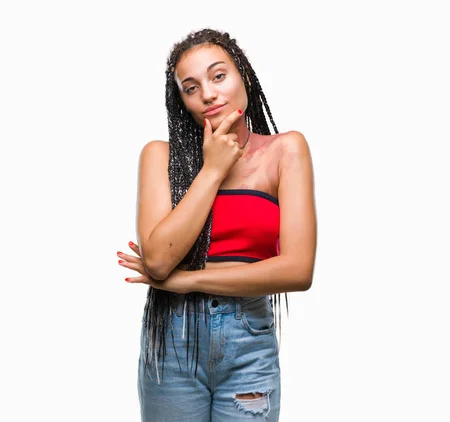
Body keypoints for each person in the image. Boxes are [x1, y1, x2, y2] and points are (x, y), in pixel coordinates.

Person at [115, 28, 317, 421]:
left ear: (243, 74)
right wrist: (212, 170)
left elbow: (297, 269)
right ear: (183, 102)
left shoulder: (285, 150)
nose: (207, 94)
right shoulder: (160, 156)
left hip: (248, 342)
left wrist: (187, 279)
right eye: (191, 88)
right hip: (172, 340)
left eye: (218, 76)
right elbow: (157, 262)